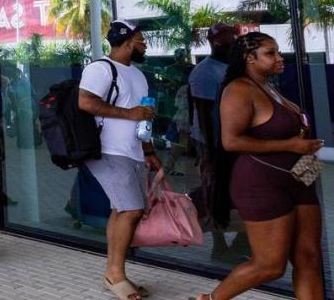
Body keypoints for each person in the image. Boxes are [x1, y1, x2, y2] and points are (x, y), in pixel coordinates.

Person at [193, 33, 324, 300]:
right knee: (270, 265)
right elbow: (231, 141)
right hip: (261, 184)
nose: (279, 58)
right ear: (249, 58)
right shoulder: (238, 89)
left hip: (299, 180)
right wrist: (291, 146)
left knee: (309, 257)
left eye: (278, 52)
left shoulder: (269, 87)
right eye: (270, 53)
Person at [78, 20, 161, 300]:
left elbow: (144, 115)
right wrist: (129, 114)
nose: (145, 44)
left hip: (133, 150)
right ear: (127, 42)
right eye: (141, 39)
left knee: (122, 210)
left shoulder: (137, 75)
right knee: (132, 210)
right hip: (108, 150)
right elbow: (85, 102)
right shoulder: (100, 69)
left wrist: (149, 151)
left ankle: (113, 273)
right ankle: (115, 275)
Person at [189, 23, 249, 264]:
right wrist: (211, 152)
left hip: (234, 139)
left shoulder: (234, 68)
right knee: (213, 190)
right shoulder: (205, 72)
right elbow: (203, 114)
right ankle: (220, 244)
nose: (234, 45)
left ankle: (239, 242)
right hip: (213, 141)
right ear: (215, 43)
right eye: (229, 41)